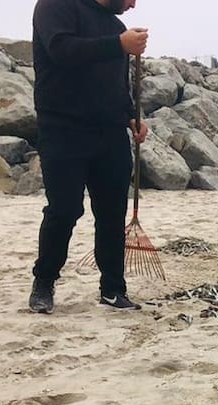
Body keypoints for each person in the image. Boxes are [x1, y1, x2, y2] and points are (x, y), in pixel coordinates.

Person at [28, 0, 150, 314]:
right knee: (64, 209)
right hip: (62, 128)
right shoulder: (55, 6)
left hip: (110, 132)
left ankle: (113, 288)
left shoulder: (115, 27)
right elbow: (62, 51)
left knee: (112, 213)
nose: (132, 4)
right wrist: (118, 44)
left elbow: (118, 84)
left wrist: (131, 116)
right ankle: (44, 283)